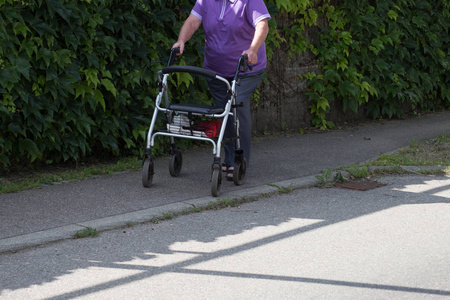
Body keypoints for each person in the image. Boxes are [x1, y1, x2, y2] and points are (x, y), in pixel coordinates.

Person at [172, 0, 270, 180]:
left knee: (235, 105)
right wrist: (181, 40)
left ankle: (241, 160)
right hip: (216, 70)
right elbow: (193, 20)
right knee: (223, 112)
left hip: (246, 68)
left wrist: (253, 49)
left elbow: (262, 25)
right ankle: (230, 158)